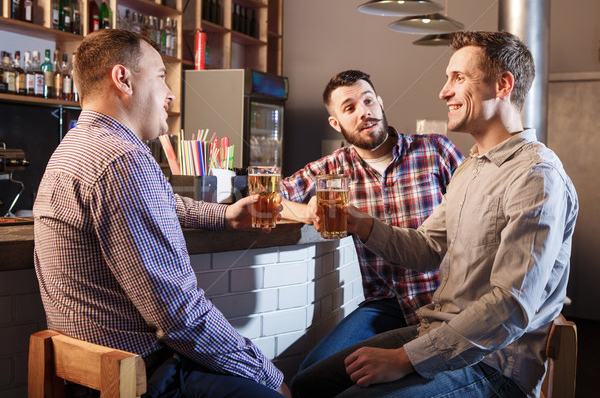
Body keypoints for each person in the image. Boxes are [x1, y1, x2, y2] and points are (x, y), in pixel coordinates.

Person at [291, 31, 578, 398]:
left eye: (458, 78)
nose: (444, 91)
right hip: (436, 330)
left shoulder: (536, 176)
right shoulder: (471, 167)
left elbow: (510, 306)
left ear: (503, 85)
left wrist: (405, 359)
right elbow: (427, 247)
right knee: (307, 385)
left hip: (493, 363)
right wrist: (362, 224)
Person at [33, 29, 290, 398]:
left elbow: (161, 203)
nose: (170, 94)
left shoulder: (74, 146)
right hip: (138, 378)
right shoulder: (123, 160)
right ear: (122, 79)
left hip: (88, 373)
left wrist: (224, 216)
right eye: (160, 77)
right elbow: (179, 316)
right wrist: (268, 374)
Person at [279, 70, 464, 369]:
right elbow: (263, 197)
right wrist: (304, 211)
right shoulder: (330, 170)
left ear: (379, 102)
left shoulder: (435, 151)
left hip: (447, 300)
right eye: (350, 108)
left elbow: (481, 208)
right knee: (312, 373)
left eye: (368, 101)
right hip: (385, 305)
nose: (364, 112)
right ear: (335, 122)